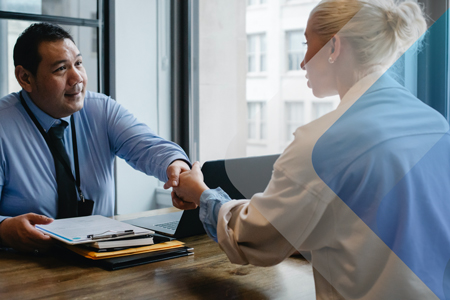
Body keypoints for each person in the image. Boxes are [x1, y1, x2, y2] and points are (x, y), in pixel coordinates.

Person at [172, 0, 450, 299]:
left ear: (334, 47)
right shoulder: (435, 123)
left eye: (307, 44)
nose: (302, 61)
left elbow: (254, 238)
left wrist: (201, 194)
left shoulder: (323, 142)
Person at [0, 23, 190, 253]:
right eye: (61, 69)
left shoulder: (101, 109)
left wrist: (176, 167)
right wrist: (3, 229)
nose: (77, 78)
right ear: (25, 78)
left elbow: (149, 148)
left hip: (99, 262)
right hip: (24, 269)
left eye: (78, 63)